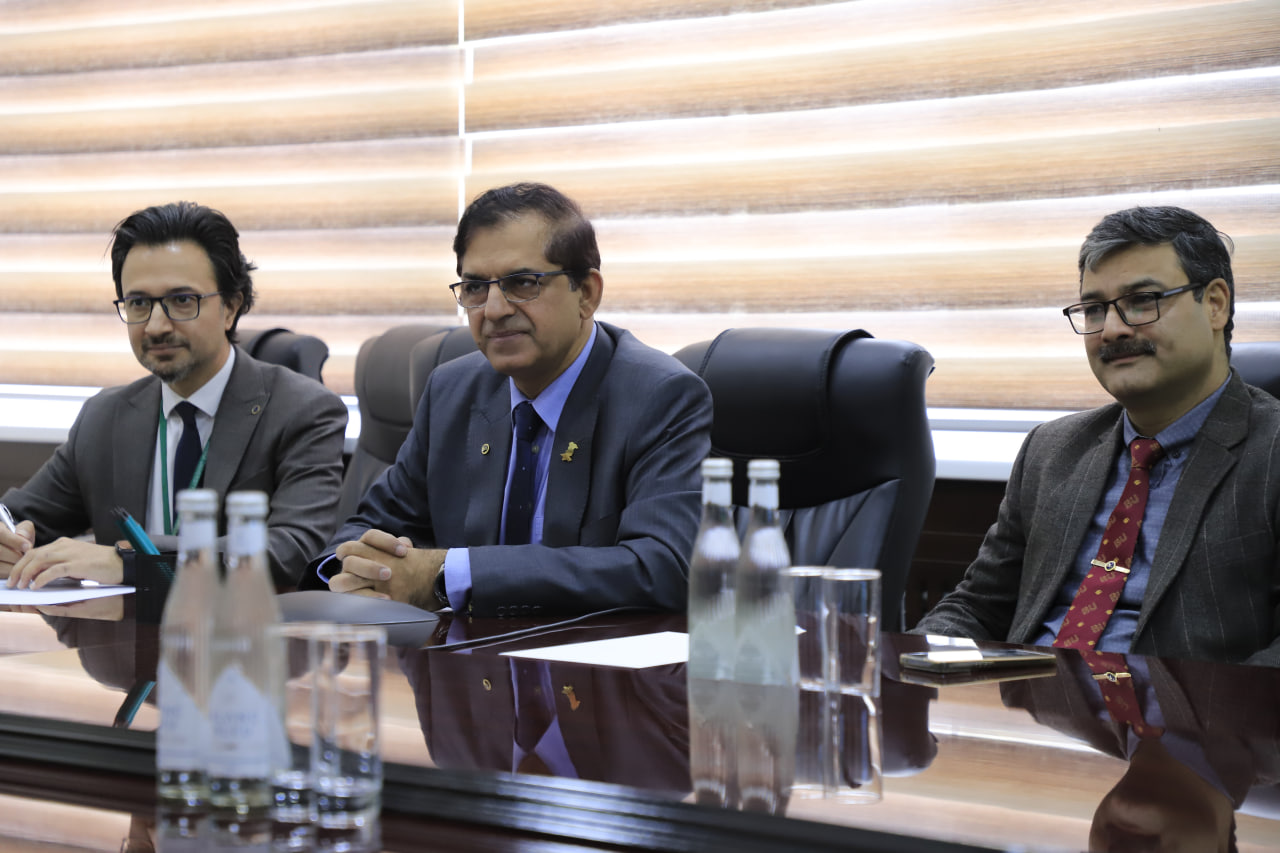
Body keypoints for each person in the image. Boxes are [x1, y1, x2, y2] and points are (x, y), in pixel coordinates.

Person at [316, 182, 713, 616]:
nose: (494, 309)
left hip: (589, 656)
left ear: (587, 293)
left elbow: (664, 566)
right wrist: (354, 571)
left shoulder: (660, 396)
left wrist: (448, 575)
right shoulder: (451, 390)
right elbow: (366, 528)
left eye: (522, 283)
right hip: (464, 654)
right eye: (474, 288)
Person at [914, 205, 1280, 666]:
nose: (1112, 329)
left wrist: (1206, 715)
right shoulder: (1051, 450)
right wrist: (907, 670)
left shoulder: (1269, 451)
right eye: (1094, 309)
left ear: (1215, 304)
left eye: (1142, 300)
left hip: (1181, 709)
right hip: (1029, 701)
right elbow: (977, 607)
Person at [1, 201, 347, 589]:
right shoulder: (105, 416)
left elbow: (290, 552)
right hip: (120, 628)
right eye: (138, 303)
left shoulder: (304, 411)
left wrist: (131, 563)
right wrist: (7, 539)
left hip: (240, 625)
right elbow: (19, 519)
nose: (156, 326)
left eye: (182, 300)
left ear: (231, 307)